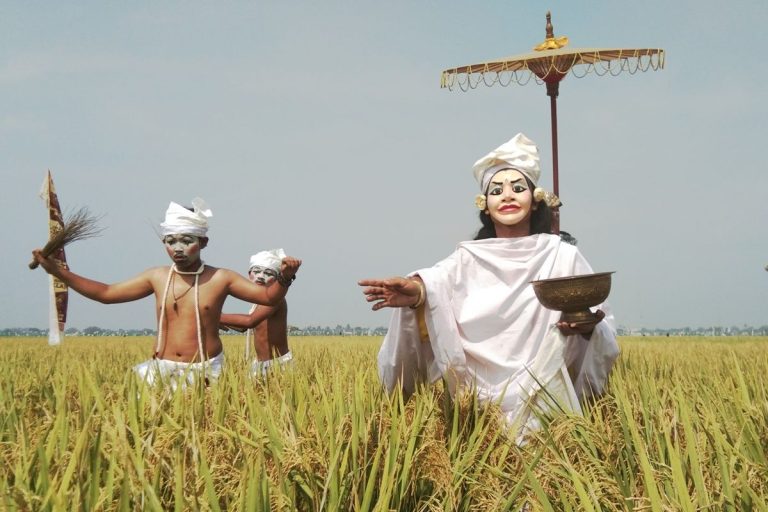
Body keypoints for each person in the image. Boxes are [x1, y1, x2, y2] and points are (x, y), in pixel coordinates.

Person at [359, 133, 619, 438]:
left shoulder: (561, 254)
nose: (507, 196)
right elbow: (437, 283)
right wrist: (415, 291)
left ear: (535, 201)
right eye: (497, 190)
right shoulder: (467, 257)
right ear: (485, 206)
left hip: (546, 394)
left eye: (518, 188)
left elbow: (601, 326)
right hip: (480, 403)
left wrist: (587, 327)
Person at [31, 198, 301, 390]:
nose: (178, 249)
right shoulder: (157, 277)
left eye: (187, 241)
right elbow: (106, 293)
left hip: (206, 371)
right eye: (171, 242)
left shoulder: (221, 278)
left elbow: (268, 298)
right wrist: (60, 272)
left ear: (203, 242)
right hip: (161, 369)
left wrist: (286, 276)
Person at [220, 248, 293, 377]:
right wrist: (214, 321)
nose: (261, 276)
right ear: (249, 274)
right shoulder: (258, 301)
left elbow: (250, 320)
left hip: (277, 364)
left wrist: (213, 316)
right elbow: (244, 327)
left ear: (277, 279)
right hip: (260, 364)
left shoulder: (276, 300)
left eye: (268, 273)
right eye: (257, 271)